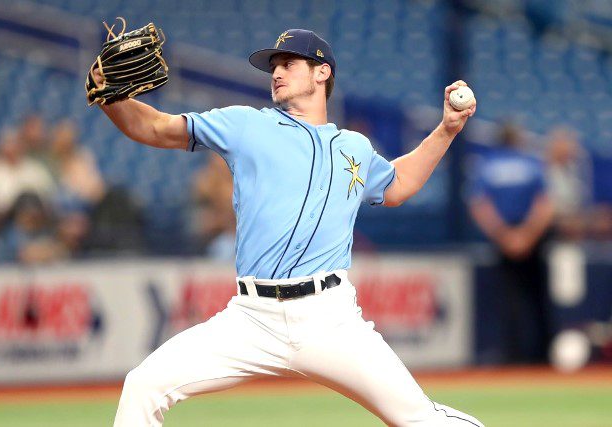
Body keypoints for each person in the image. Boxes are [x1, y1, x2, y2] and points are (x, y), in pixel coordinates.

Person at [92, 29, 481, 426]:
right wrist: (113, 98)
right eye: (273, 66)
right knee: (143, 385)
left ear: (322, 73)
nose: (276, 72)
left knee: (419, 418)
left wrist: (447, 128)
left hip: (329, 318)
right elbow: (156, 128)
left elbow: (397, 185)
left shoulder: (355, 147)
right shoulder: (245, 125)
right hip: (251, 317)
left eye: (289, 63)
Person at [468, 122, 554, 364]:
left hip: (503, 240)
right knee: (538, 299)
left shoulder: (487, 165)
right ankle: (542, 358)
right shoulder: (531, 163)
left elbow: (480, 206)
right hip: (533, 241)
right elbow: (544, 204)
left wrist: (504, 236)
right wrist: (526, 235)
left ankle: (512, 358)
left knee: (508, 301)